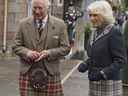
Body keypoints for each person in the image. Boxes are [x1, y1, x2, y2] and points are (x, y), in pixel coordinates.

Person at [12, 0, 70, 96]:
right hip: (28, 72)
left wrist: (49, 53)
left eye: (40, 8)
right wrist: (27, 53)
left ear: (48, 8)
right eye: (34, 8)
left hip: (51, 73)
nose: (37, 11)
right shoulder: (23, 24)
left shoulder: (60, 25)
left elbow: (66, 48)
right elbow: (15, 45)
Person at [77, 1, 127, 96]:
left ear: (105, 15)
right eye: (90, 15)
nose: (91, 18)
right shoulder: (94, 32)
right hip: (94, 83)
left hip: (109, 84)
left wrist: (102, 74)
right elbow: (96, 56)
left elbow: (121, 61)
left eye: (95, 15)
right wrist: (86, 63)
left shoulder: (114, 33)